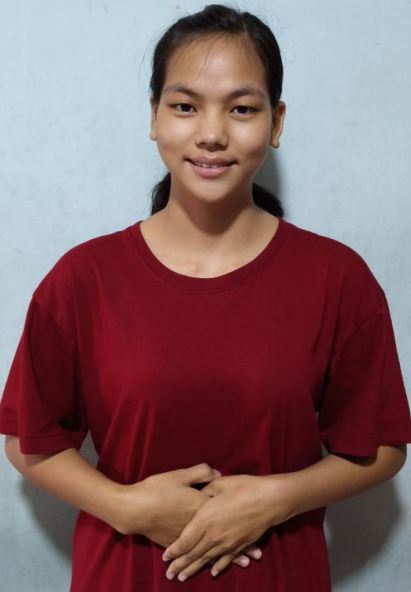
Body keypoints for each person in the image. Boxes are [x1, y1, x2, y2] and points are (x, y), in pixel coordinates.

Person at [1, 4, 411, 591]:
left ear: (276, 122)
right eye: (185, 106)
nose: (212, 133)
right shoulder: (83, 279)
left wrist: (277, 498)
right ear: (154, 116)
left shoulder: (338, 279)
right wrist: (124, 506)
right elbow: (28, 438)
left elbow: (380, 445)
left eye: (241, 108)